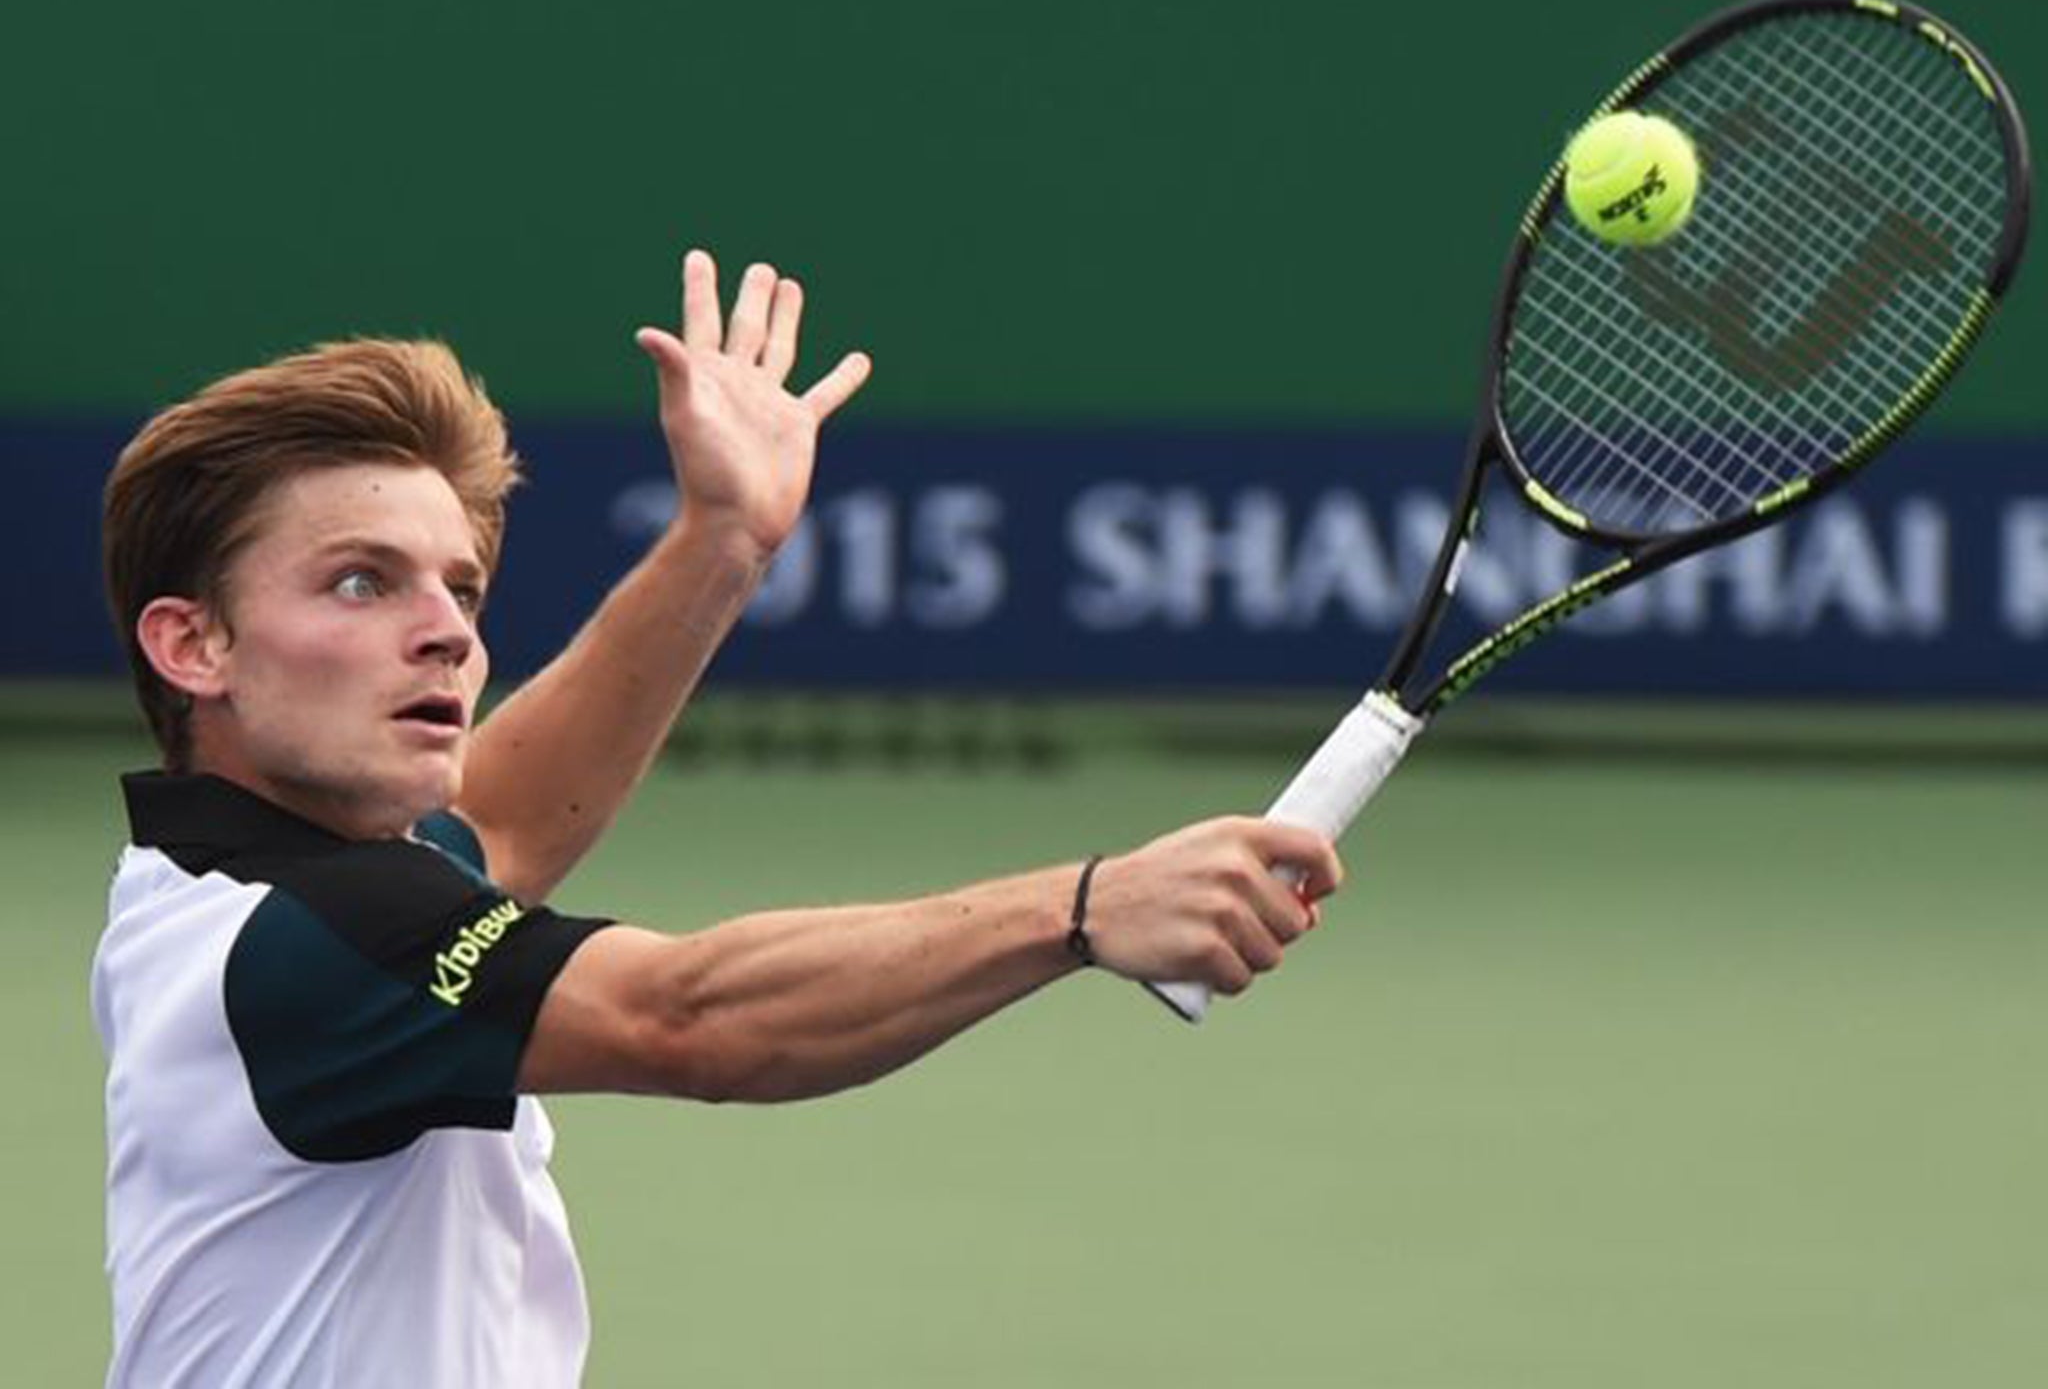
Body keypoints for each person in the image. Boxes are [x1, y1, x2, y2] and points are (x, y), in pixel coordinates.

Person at [92, 250, 1343, 1387]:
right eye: (359, 582)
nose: (448, 631)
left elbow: (507, 824)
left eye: (461, 586)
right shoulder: (306, 945)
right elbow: (687, 1016)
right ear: (192, 644)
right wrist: (1079, 908)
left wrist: (722, 539)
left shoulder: (210, 889)